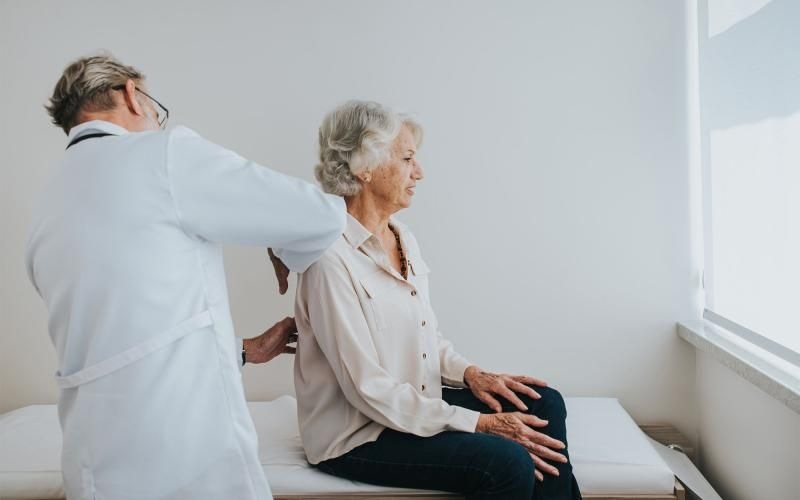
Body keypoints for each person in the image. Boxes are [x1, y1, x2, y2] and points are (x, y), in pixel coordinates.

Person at [25, 54, 346, 500]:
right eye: (157, 107)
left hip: (90, 466)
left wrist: (241, 352)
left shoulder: (47, 204)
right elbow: (321, 216)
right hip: (182, 461)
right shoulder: (162, 153)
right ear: (133, 96)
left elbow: (116, 338)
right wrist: (281, 245)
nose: (158, 119)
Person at [294, 101, 582, 499]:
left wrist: (471, 375)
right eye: (408, 158)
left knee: (543, 404)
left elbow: (424, 337)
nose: (420, 172)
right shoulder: (329, 261)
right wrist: (478, 424)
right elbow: (367, 389)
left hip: (413, 406)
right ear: (364, 166)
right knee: (507, 462)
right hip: (359, 433)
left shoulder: (403, 237)